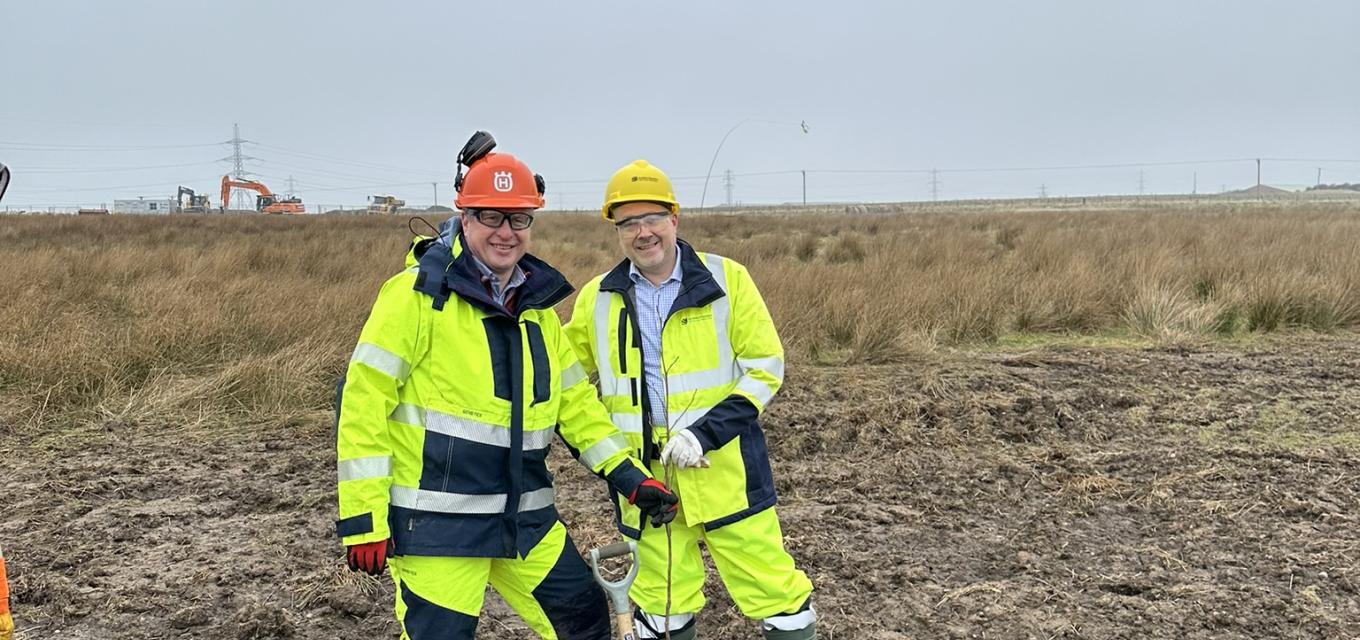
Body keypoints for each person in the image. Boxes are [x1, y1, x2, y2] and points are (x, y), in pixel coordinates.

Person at [335, 134, 678, 640]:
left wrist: (629, 475)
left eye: (518, 218)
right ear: (466, 216)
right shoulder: (415, 297)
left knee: (582, 620)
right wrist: (363, 516)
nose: (506, 231)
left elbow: (575, 405)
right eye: (491, 216)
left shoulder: (536, 308)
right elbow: (363, 402)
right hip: (437, 528)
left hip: (525, 521)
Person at [564, 160, 815, 640]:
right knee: (663, 605)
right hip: (646, 486)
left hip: (727, 473)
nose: (643, 233)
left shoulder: (728, 279)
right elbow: (564, 381)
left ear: (674, 219)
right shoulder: (597, 297)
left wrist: (704, 435)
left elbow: (766, 367)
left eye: (652, 218)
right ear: (617, 231)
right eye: (629, 223)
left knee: (777, 596)